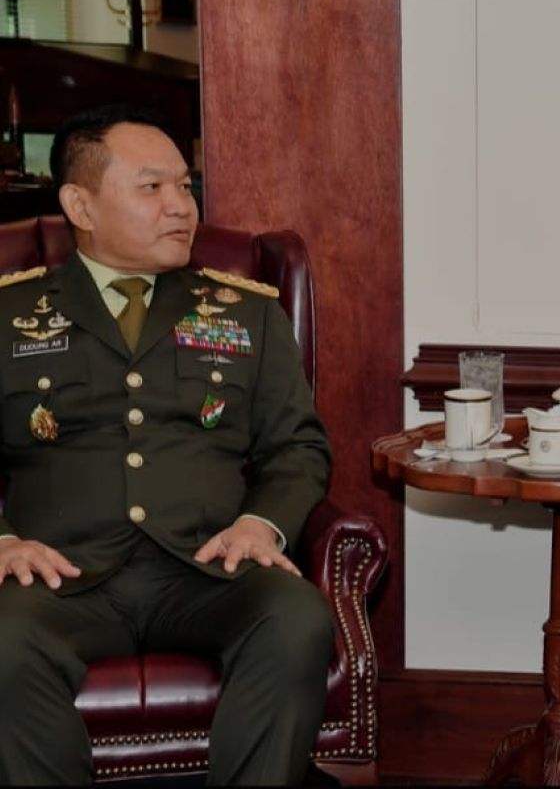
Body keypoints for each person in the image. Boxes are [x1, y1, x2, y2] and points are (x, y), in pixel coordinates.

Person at [0, 105, 334, 785]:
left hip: (208, 568)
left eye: (185, 186)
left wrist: (260, 522)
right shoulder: (8, 314)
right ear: (79, 204)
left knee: (294, 617)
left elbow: (297, 446)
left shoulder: (246, 311)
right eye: (152, 188)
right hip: (61, 578)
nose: (182, 206)